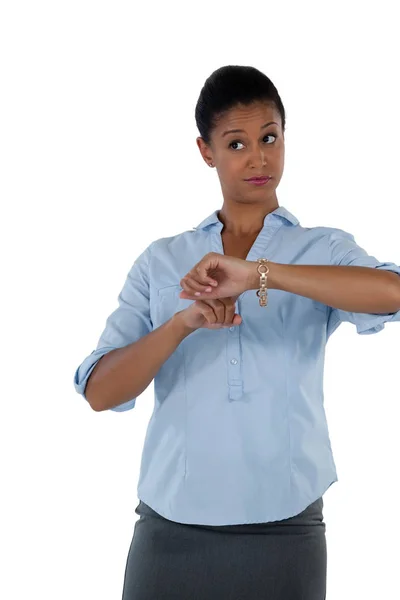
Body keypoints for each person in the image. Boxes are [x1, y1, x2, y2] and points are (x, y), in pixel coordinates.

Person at [73, 65, 400, 600]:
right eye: (237, 143)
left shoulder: (322, 250)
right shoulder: (163, 261)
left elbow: (392, 294)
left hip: (285, 528)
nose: (259, 158)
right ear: (206, 152)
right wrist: (183, 323)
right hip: (170, 530)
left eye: (269, 137)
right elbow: (100, 392)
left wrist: (259, 274)